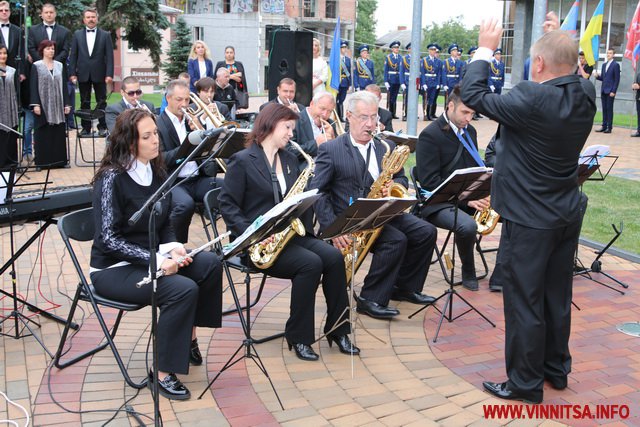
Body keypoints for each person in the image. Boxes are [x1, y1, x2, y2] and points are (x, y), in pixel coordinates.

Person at [460, 14, 596, 403]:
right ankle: (556, 369)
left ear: (537, 65)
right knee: (556, 295)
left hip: (531, 218)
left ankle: (524, 384)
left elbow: (474, 95)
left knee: (524, 301)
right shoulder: (585, 93)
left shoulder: (532, 97)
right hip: (566, 211)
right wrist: (556, 41)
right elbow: (570, 68)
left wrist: (486, 48)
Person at [90, 108, 223, 400]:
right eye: (146, 136)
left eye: (156, 134)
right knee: (182, 289)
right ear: (129, 142)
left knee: (210, 263)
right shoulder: (111, 178)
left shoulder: (157, 170)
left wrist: (174, 246)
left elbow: (165, 223)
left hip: (151, 257)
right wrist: (159, 261)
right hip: (114, 269)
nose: (155, 141)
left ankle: (188, 339)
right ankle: (161, 372)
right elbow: (108, 239)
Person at [218, 103, 359, 361]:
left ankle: (338, 329)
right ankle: (299, 336)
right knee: (310, 265)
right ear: (269, 125)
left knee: (334, 258)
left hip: (291, 237)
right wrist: (253, 234)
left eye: (292, 128)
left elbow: (298, 200)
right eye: (287, 128)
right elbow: (227, 205)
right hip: (260, 244)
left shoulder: (290, 159)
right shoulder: (242, 161)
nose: (291, 134)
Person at [310, 91, 437, 320]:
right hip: (351, 218)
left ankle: (405, 287)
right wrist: (332, 228)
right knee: (395, 241)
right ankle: (371, 298)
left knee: (426, 231)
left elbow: (401, 177)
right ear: (349, 116)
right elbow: (318, 192)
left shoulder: (384, 146)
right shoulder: (331, 150)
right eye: (363, 118)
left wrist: (395, 185)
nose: (370, 124)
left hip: (384, 211)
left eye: (374, 117)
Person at [416, 85, 489, 291]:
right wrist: (467, 199)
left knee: (514, 209)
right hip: (438, 203)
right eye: (465, 112)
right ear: (450, 106)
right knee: (467, 226)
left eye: (472, 113)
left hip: (468, 197)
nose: (469, 118)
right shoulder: (430, 135)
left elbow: (474, 169)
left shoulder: (470, 131)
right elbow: (430, 183)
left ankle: (503, 271)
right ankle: (468, 270)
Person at [157, 79, 221, 243]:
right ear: (168, 98)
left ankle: (237, 244)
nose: (184, 104)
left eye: (187, 100)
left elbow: (207, 153)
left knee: (232, 188)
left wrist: (202, 134)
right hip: (174, 181)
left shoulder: (191, 121)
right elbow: (161, 159)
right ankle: (174, 249)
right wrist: (187, 144)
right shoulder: (158, 124)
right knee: (185, 205)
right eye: (179, 100)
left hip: (197, 178)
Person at [68, 7, 114, 137]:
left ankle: (102, 126)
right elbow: (74, 55)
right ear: (84, 20)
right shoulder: (77, 35)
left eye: (93, 17)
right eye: (88, 17)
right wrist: (72, 73)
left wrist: (109, 74)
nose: (91, 19)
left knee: (101, 101)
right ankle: (86, 128)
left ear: (97, 19)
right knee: (84, 101)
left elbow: (109, 56)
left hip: (100, 73)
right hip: (83, 73)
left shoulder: (105, 35)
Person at [30, 40, 70, 168]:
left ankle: (59, 161)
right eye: (48, 48)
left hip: (58, 104)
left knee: (58, 132)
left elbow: (64, 85)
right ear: (42, 50)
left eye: (52, 48)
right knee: (43, 132)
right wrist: (35, 104)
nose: (51, 51)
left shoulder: (59, 65)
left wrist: (67, 104)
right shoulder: (36, 66)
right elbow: (33, 86)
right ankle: (42, 162)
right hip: (43, 103)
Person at [291, 91, 336, 167]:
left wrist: (333, 138)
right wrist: (315, 144)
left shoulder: (330, 123)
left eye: (329, 111)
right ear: (312, 104)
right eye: (322, 108)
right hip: (303, 172)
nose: (325, 115)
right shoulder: (294, 120)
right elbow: (289, 151)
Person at [0, 45, 19, 168]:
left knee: (10, 135)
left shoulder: (12, 70)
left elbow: (16, 89)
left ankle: (10, 161)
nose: (3, 56)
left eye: (4, 53)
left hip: (10, 107)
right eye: (0, 53)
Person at [594, 48, 620, 134]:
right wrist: (597, 76)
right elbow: (604, 78)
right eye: (607, 53)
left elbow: (616, 79)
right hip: (603, 90)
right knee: (604, 109)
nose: (608, 54)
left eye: (610, 53)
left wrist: (614, 91)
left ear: (613, 55)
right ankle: (604, 126)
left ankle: (609, 127)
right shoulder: (604, 65)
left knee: (609, 109)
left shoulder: (616, 65)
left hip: (610, 91)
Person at [421, 43, 442, 121]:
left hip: (434, 82)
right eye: (432, 50)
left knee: (432, 99)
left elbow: (439, 73)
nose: (433, 51)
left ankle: (430, 115)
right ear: (429, 51)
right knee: (426, 99)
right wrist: (423, 83)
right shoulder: (424, 60)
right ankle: (425, 114)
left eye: (434, 50)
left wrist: (438, 83)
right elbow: (422, 73)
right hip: (427, 81)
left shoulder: (438, 61)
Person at [384, 40, 402, 119]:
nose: (397, 49)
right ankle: (389, 113)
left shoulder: (401, 57)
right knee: (390, 97)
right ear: (392, 49)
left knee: (395, 96)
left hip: (397, 79)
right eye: (395, 48)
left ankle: (393, 113)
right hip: (391, 79)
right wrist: (386, 81)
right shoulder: (388, 57)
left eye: (397, 48)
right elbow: (386, 70)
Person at [337, 40, 351, 121]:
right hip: (338, 81)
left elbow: (349, 72)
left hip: (345, 82)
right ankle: (338, 116)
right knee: (337, 100)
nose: (344, 49)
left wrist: (349, 83)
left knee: (342, 99)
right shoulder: (336, 59)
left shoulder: (348, 60)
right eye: (342, 47)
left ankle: (341, 116)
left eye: (345, 47)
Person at [399, 42, 412, 121]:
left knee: (414, 99)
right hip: (407, 81)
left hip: (414, 82)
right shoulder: (404, 59)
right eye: (410, 49)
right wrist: (402, 83)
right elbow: (401, 72)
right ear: (408, 50)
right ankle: (405, 114)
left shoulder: (417, 58)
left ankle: (412, 114)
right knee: (406, 99)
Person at [632, 67, 640, 137]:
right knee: (639, 115)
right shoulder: (638, 73)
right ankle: (639, 130)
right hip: (638, 98)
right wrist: (634, 85)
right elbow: (636, 83)